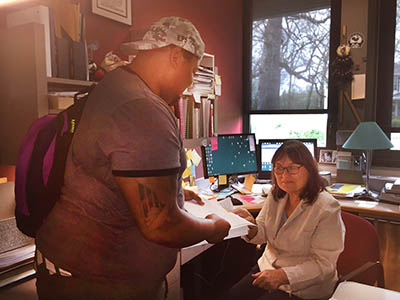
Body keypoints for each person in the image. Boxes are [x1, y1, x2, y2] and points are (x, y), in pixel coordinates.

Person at [35, 16, 230, 300]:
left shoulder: (117, 83)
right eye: (193, 70)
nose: (189, 84)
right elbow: (161, 224)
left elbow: (119, 170)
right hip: (95, 285)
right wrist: (214, 227)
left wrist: (175, 191)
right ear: (176, 56)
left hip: (78, 272)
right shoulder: (142, 108)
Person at [223, 140, 345, 300]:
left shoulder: (327, 208)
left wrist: (282, 275)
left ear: (309, 169)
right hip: (267, 267)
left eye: (293, 168)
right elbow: (262, 232)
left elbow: (324, 266)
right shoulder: (276, 194)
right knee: (232, 296)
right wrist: (250, 225)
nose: (284, 175)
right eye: (279, 168)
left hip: (303, 286)